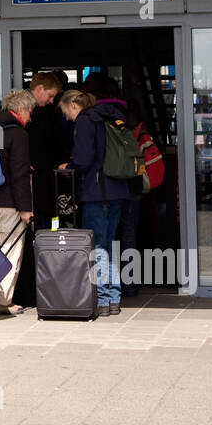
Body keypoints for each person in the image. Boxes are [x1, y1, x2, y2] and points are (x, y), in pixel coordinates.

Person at [58, 88, 130, 316]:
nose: (67, 118)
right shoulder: (109, 116)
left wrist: (68, 167)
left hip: (97, 192)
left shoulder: (86, 121)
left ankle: (101, 299)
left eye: (65, 113)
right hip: (117, 189)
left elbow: (84, 158)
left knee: (97, 247)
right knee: (109, 244)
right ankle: (113, 298)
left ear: (72, 105)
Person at [0, 88, 35, 316]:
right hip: (8, 203)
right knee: (9, 251)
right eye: (30, 112)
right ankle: (1, 302)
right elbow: (20, 174)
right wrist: (26, 209)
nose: (30, 117)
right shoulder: (18, 134)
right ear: (20, 109)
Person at [27, 71, 65, 228]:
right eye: (50, 95)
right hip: (35, 177)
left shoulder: (50, 111)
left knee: (50, 215)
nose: (52, 101)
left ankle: (48, 245)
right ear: (40, 88)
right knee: (41, 216)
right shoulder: (22, 109)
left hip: (47, 176)